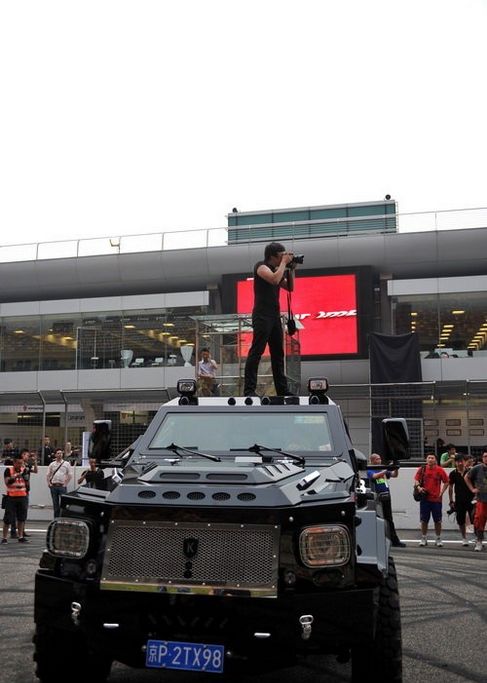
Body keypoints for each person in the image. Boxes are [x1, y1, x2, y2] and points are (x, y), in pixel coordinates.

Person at [243, 242, 296, 397]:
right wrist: (284, 264)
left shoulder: (276, 270)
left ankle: (282, 390)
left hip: (274, 316)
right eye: (282, 255)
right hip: (262, 315)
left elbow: (290, 287)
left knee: (278, 354)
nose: (284, 258)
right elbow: (273, 279)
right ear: (273, 256)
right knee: (257, 352)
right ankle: (249, 391)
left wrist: (291, 269)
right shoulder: (261, 266)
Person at [367, 453, 405, 547]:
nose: (379, 460)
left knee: (389, 519)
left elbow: (394, 475)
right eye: (377, 459)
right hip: (376, 498)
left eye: (380, 458)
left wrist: (396, 467)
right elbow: (375, 476)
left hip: (386, 496)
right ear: (372, 461)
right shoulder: (370, 470)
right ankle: (377, 540)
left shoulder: (382, 469)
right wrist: (387, 469)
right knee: (377, 519)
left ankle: (394, 540)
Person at [414, 453, 449, 547]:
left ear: (435, 460)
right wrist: (419, 488)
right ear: (426, 459)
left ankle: (438, 538)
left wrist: (442, 492)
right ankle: (424, 538)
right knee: (424, 520)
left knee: (438, 520)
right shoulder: (422, 469)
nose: (430, 459)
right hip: (424, 499)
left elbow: (446, 481)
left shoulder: (440, 470)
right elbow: (416, 480)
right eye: (428, 458)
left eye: (432, 458)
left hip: (436, 500)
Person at [447, 453, 475, 546]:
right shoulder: (453, 474)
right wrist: (451, 501)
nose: (460, 463)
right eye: (458, 461)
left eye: (462, 461)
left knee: (474, 519)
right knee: (460, 520)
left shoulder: (471, 472)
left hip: (471, 500)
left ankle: (477, 537)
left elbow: (475, 485)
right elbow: (450, 487)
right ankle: (464, 538)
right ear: (455, 463)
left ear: (465, 461)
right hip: (459, 500)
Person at [2, 455, 29, 543]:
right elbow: (7, 482)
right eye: (18, 463)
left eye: (21, 463)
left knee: (22, 518)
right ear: (14, 463)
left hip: (23, 496)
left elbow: (27, 483)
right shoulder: (8, 470)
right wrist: (17, 476)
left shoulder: (24, 470)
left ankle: (20, 536)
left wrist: (26, 482)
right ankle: (4, 538)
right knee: (8, 518)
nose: (20, 465)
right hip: (11, 497)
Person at [464, 449, 487, 552]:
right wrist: (472, 489)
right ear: (482, 458)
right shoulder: (477, 468)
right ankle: (479, 542)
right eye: (485, 456)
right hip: (481, 499)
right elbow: (466, 477)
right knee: (479, 521)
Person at [46, 449, 72, 518]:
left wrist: (65, 484)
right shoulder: (52, 464)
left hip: (62, 486)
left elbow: (70, 475)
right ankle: (56, 519)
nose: (60, 455)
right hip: (54, 486)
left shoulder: (66, 464)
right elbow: (48, 474)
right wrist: (49, 483)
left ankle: (63, 519)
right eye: (58, 453)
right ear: (55, 455)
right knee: (55, 505)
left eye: (61, 453)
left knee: (64, 504)